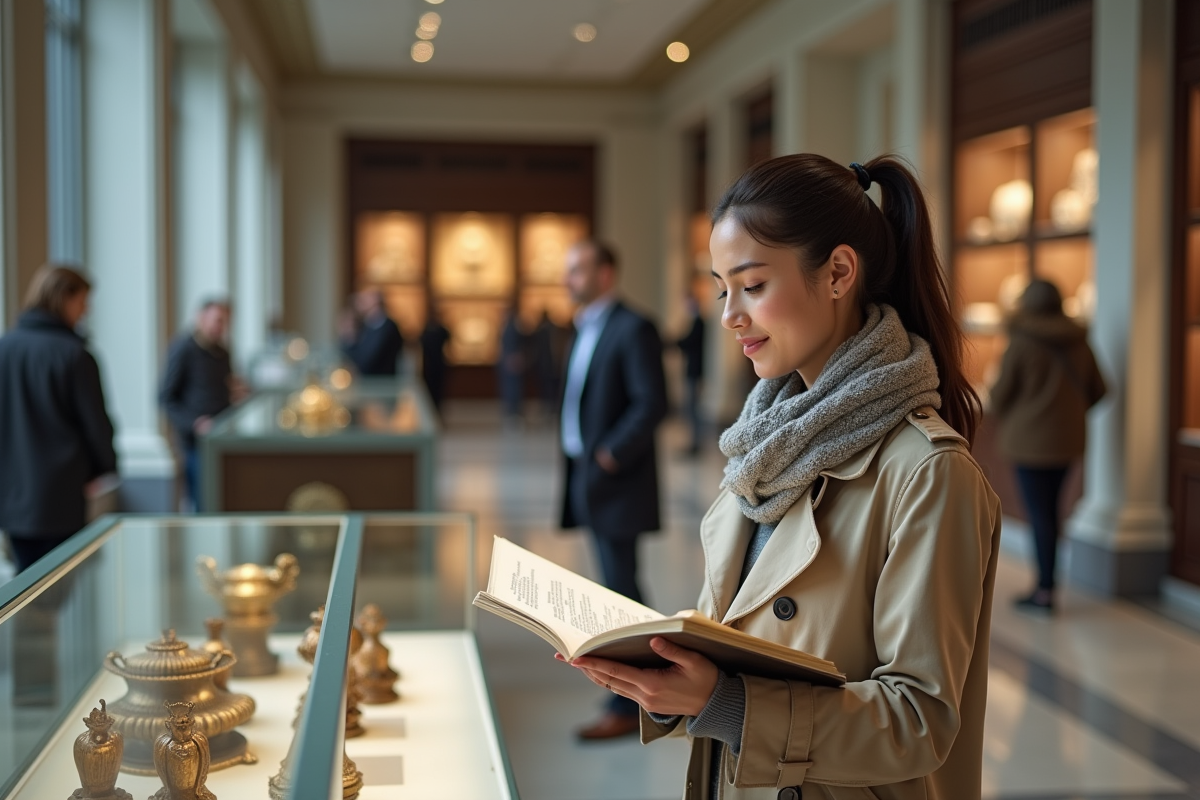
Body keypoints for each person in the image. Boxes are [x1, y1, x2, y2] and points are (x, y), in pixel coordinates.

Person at [559, 156, 1002, 799]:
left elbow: (918, 722)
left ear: (839, 273)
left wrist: (725, 701)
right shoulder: (762, 447)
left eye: (753, 285)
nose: (729, 315)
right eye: (721, 289)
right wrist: (664, 680)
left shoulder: (928, 473)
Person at [558, 240, 668, 740]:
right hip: (587, 475)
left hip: (616, 480)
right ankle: (641, 694)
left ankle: (629, 706)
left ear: (605, 273)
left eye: (577, 270)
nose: (569, 280)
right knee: (613, 588)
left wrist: (608, 454)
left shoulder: (633, 327)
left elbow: (651, 403)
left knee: (620, 593)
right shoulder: (584, 327)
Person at [990, 279, 1105, 612]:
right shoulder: (1079, 340)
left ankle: (1044, 590)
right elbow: (1099, 389)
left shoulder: (1021, 342)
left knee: (1041, 514)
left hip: (1029, 443)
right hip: (1068, 442)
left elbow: (999, 397)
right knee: (1052, 513)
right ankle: (1047, 584)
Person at [0, 264, 117, 572]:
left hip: (12, 493)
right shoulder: (74, 354)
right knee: (61, 586)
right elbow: (95, 424)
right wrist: (104, 467)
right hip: (60, 494)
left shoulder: (4, 348)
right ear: (63, 298)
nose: (85, 311)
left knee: (25, 584)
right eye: (82, 301)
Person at [160, 298, 236, 512]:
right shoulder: (183, 348)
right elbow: (165, 397)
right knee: (202, 501)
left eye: (225, 322)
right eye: (217, 320)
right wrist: (194, 423)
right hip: (195, 442)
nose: (220, 327)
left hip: (222, 437)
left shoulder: (222, 351)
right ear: (201, 318)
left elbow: (224, 388)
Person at [341, 289, 404, 376]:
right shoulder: (367, 325)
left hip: (382, 381)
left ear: (375, 300)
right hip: (368, 380)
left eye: (365, 298)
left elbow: (369, 359)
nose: (361, 301)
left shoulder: (388, 327)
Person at [674, 294, 706, 455]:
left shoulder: (699, 322)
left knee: (693, 409)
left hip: (695, 371)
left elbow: (690, 342)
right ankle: (694, 442)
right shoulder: (695, 322)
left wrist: (675, 342)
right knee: (691, 409)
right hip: (692, 371)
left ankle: (696, 444)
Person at [419, 307, 451, 413]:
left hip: (438, 364)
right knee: (428, 390)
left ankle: (437, 411)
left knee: (439, 390)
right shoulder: (426, 329)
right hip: (428, 365)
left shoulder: (441, 330)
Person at [497, 310, 527, 425]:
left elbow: (515, 345)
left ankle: (514, 413)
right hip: (507, 363)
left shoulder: (512, 328)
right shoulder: (508, 327)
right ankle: (511, 412)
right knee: (510, 388)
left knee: (514, 388)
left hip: (512, 363)